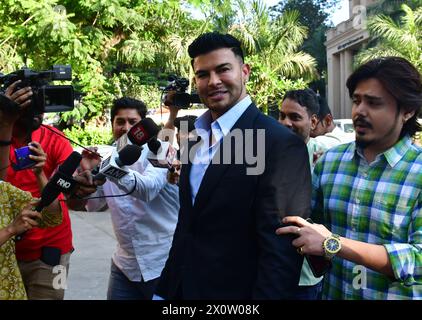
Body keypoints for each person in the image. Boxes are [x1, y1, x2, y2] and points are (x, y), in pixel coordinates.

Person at [155, 32, 311, 300]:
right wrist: (165, 291)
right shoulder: (193, 136)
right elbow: (187, 226)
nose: (213, 81)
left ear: (245, 71)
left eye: (223, 69)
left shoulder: (278, 144)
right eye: (203, 74)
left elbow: (281, 254)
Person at [276, 56, 422, 299]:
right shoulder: (331, 162)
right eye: (356, 100)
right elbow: (311, 229)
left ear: (407, 110)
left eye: (374, 103)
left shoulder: (417, 172)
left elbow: (417, 260)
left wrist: (334, 244)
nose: (360, 111)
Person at [74, 97, 179, 300]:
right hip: (125, 265)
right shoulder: (107, 159)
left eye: (133, 122)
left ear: (144, 126)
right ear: (112, 125)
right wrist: (89, 179)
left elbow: (147, 190)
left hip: (163, 263)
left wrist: (109, 169)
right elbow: (93, 206)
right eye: (120, 122)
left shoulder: (162, 151)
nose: (126, 128)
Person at [5, 88, 74, 299]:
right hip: (6, 248)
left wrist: (41, 173)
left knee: (55, 295)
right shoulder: (3, 138)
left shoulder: (55, 138)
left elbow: (65, 195)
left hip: (56, 252)